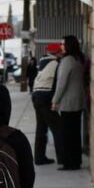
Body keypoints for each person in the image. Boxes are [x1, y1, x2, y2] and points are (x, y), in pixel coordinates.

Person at [51, 35, 86, 171]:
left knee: (67, 134)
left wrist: (55, 101)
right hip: (78, 102)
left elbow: (61, 84)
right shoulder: (78, 59)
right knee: (75, 133)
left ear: (69, 45)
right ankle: (75, 161)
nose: (61, 46)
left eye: (63, 44)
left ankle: (69, 163)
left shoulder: (67, 61)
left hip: (68, 103)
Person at [31, 43, 65, 165]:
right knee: (58, 128)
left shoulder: (41, 62)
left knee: (41, 128)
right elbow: (59, 82)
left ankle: (39, 158)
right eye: (60, 51)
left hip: (36, 96)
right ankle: (62, 159)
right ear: (57, 53)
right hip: (45, 97)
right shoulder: (56, 64)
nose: (62, 54)